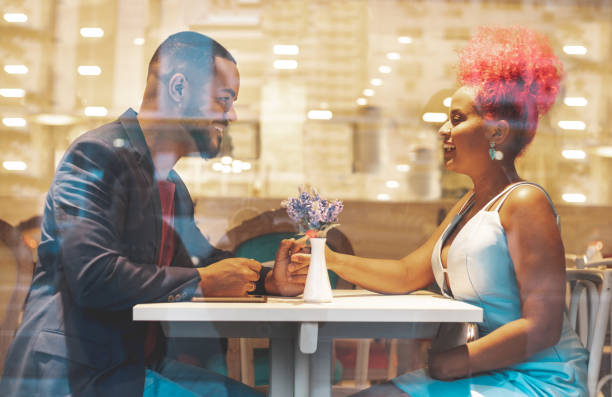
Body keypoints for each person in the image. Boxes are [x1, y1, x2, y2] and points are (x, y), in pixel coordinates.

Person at [0, 31, 305, 397]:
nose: (232, 115)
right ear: (177, 89)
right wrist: (202, 282)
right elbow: (94, 276)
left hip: (130, 367)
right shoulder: (95, 155)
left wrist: (269, 279)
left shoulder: (171, 184)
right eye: (224, 100)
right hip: (74, 373)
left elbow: (200, 260)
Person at [290, 26, 588, 396]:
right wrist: (328, 258)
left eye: (458, 119)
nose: (444, 130)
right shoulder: (470, 204)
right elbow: (404, 275)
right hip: (483, 370)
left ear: (497, 133)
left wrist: (454, 362)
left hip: (538, 379)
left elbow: (542, 328)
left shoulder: (525, 203)